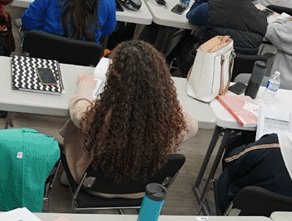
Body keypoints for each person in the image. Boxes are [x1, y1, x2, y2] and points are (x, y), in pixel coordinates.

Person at [63, 41, 198, 186]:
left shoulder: (104, 117)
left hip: (94, 185)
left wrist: (85, 86)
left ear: (114, 78)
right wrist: (164, 98)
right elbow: (191, 126)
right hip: (142, 187)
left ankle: (69, 173)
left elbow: (79, 112)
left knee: (77, 129)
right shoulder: (177, 123)